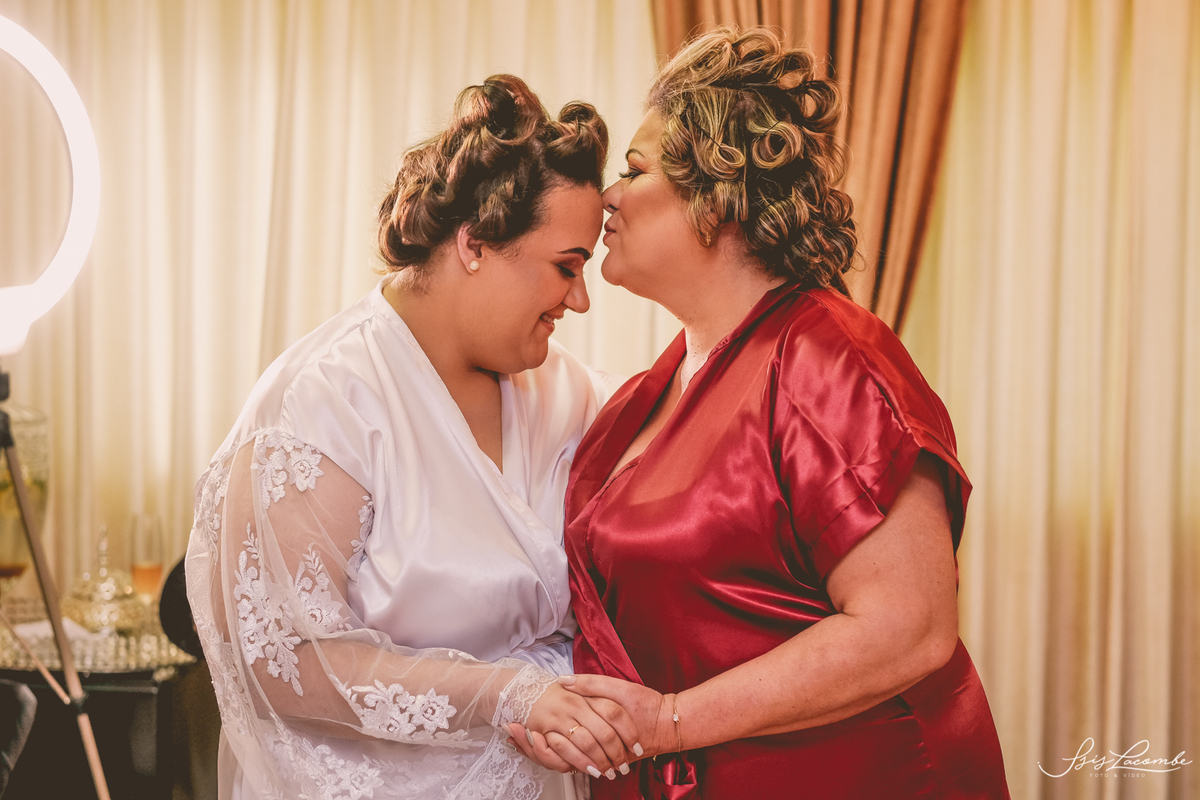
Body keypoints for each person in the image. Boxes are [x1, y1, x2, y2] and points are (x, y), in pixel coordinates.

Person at [511, 27, 1010, 799]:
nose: (608, 195)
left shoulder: (830, 360)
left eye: (635, 171)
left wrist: (670, 721)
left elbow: (910, 628)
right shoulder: (644, 396)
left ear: (720, 198)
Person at [185, 75, 643, 800]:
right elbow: (283, 661)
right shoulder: (323, 403)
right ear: (475, 243)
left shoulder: (568, 393)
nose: (581, 300)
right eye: (567, 267)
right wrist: (502, 694)